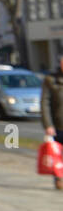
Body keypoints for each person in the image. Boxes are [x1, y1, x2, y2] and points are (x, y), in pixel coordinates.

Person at [43, 55, 63, 191]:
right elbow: (44, 103)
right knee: (58, 155)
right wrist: (48, 124)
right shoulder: (50, 80)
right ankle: (59, 179)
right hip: (58, 125)